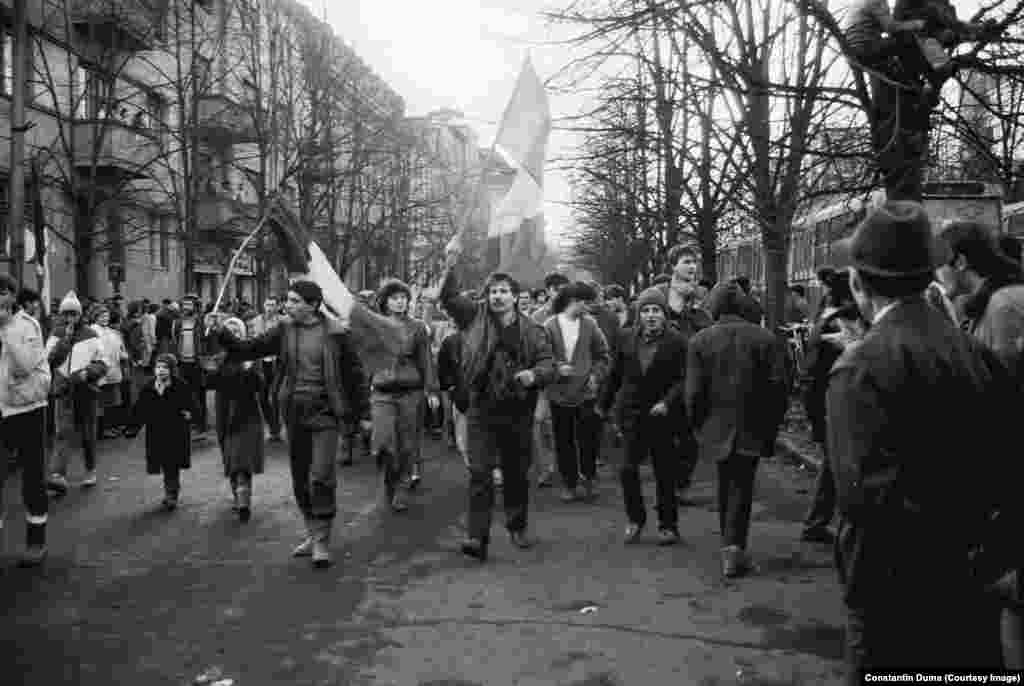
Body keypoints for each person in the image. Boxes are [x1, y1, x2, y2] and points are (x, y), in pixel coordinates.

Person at [828, 201, 1007, 680]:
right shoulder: (974, 351)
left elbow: (861, 494)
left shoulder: (859, 366)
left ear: (858, 285)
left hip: (893, 590)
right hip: (970, 579)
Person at [216, 281, 371, 569]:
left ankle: (323, 540)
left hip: (325, 411)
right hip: (294, 411)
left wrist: (364, 413)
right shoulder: (284, 329)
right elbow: (248, 349)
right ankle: (312, 532)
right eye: (288, 300)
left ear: (313, 305)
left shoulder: (337, 333)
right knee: (300, 476)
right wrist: (221, 333)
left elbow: (355, 374)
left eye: (295, 301)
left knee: (321, 475)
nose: (288, 305)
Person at [936, 220, 1024, 668]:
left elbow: (998, 395)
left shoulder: (1005, 307)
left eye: (943, 264)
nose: (939, 274)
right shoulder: (992, 301)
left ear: (962, 262)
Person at [440, 247, 555, 562]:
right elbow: (448, 299)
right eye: (493, 291)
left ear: (516, 297)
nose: (498, 297)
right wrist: (451, 264)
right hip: (481, 407)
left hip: (517, 409)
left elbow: (548, 363)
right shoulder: (473, 318)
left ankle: (517, 525)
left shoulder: (533, 330)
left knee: (516, 472)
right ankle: (477, 537)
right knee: (479, 473)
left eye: (504, 291)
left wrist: (535, 374)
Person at [686, 282, 788, 577]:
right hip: (752, 426)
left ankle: (729, 546)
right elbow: (779, 388)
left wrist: (698, 425)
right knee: (742, 485)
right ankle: (734, 549)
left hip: (716, 426)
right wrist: (771, 425)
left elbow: (693, 393)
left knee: (725, 483)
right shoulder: (765, 339)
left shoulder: (700, 341)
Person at [601, 286, 687, 545]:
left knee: (665, 472)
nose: (651, 315)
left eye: (656, 310)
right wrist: (602, 406)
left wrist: (668, 402)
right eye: (646, 310)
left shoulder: (677, 341)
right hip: (631, 413)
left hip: (662, 415)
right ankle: (635, 519)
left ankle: (668, 525)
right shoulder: (626, 338)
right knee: (627, 469)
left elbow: (685, 378)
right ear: (639, 314)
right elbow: (615, 375)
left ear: (664, 314)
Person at [799, 269, 865, 545]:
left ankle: (819, 520)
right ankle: (821, 521)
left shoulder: (825, 317)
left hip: (818, 397)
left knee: (832, 460)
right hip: (829, 398)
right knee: (837, 461)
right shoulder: (839, 323)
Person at [371, 279, 439, 512]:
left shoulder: (418, 327)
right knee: (383, 443)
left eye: (403, 297)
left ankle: (401, 487)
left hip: (410, 392)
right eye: (395, 297)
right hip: (381, 392)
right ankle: (389, 481)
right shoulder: (375, 325)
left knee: (408, 444)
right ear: (384, 301)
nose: (400, 301)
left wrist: (431, 390)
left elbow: (426, 360)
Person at [0, 280, 52, 567]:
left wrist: (5, 329)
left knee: (32, 477)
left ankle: (36, 541)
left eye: (3, 292)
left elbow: (24, 365)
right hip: (1, 410)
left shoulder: (27, 326)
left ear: (13, 297)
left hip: (27, 409)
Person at [544, 282, 610, 503]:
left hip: (586, 393)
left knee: (588, 439)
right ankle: (569, 484)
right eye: (585, 301)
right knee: (563, 440)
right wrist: (556, 368)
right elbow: (541, 358)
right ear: (574, 301)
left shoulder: (590, 325)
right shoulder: (550, 326)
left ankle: (589, 479)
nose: (589, 306)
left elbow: (603, 355)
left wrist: (595, 376)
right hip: (559, 394)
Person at [46, 292, 108, 494]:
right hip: (63, 391)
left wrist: (88, 373)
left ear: (80, 314)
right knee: (62, 433)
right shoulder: (56, 333)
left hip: (86, 390)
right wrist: (65, 340)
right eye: (66, 314)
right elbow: (49, 360)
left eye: (73, 313)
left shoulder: (91, 334)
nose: (70, 318)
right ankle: (57, 475)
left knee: (88, 434)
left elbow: (102, 363)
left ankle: (90, 469)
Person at [208, 317, 265, 523]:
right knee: (230, 455)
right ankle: (237, 495)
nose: (233, 333)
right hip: (224, 411)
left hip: (246, 412)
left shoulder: (251, 356)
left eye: (236, 330)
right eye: (229, 330)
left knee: (241, 458)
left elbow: (259, 386)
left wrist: (249, 370)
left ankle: (243, 501)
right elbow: (211, 382)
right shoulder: (219, 357)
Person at [124, 354, 196, 511]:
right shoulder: (149, 387)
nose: (161, 371)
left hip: (175, 432)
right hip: (156, 431)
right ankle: (169, 491)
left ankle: (171, 494)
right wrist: (132, 427)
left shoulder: (180, 385)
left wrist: (189, 414)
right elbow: (140, 409)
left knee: (172, 464)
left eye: (165, 367)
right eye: (158, 367)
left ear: (171, 370)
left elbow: (191, 404)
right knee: (163, 462)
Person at [248, 296, 284, 442]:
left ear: (277, 307)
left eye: (272, 305)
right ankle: (272, 426)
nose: (269, 307)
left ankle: (277, 426)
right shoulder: (255, 321)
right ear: (263, 305)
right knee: (262, 397)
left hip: (278, 363)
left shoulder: (283, 321)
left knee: (275, 396)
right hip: (261, 363)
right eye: (267, 304)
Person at [172, 295, 209, 433]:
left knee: (199, 393)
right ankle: (189, 421)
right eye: (184, 304)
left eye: (190, 304)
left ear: (195, 306)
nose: (187, 307)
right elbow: (175, 339)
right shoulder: (178, 322)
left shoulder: (201, 321)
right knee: (184, 393)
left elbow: (207, 339)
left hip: (197, 363)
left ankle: (201, 423)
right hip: (183, 362)